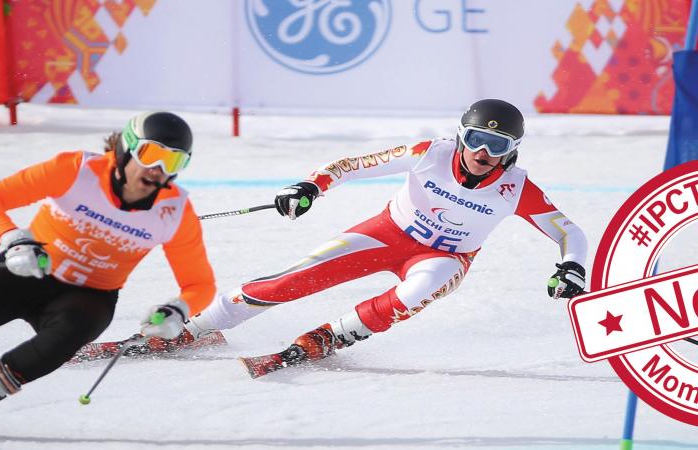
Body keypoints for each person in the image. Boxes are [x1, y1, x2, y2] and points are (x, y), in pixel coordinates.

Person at [142, 99, 588, 370]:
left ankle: (334, 336)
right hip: (387, 233)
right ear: (460, 136)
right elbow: (352, 165)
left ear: (513, 151)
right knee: (292, 279)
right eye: (476, 139)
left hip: (445, 258)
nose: (483, 153)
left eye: (499, 146)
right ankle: (196, 327)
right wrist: (310, 186)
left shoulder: (517, 188)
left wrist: (571, 266)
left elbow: (569, 231)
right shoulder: (430, 153)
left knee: (421, 288)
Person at [0, 112, 215, 428]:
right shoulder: (77, 170)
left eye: (174, 162)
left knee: (62, 342)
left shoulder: (175, 212)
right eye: (152, 154)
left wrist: (178, 309)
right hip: (27, 272)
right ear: (126, 148)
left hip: (89, 297)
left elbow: (200, 283)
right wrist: (13, 239)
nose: (158, 170)